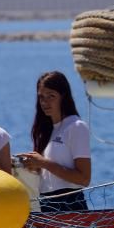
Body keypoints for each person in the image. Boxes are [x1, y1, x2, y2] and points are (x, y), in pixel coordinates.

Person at [18, 71, 91, 212]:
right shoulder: (47, 130)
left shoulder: (76, 127)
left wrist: (43, 163)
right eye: (41, 97)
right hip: (46, 202)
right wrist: (31, 165)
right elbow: (48, 173)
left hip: (70, 204)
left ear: (63, 97)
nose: (45, 102)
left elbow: (84, 178)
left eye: (51, 96)